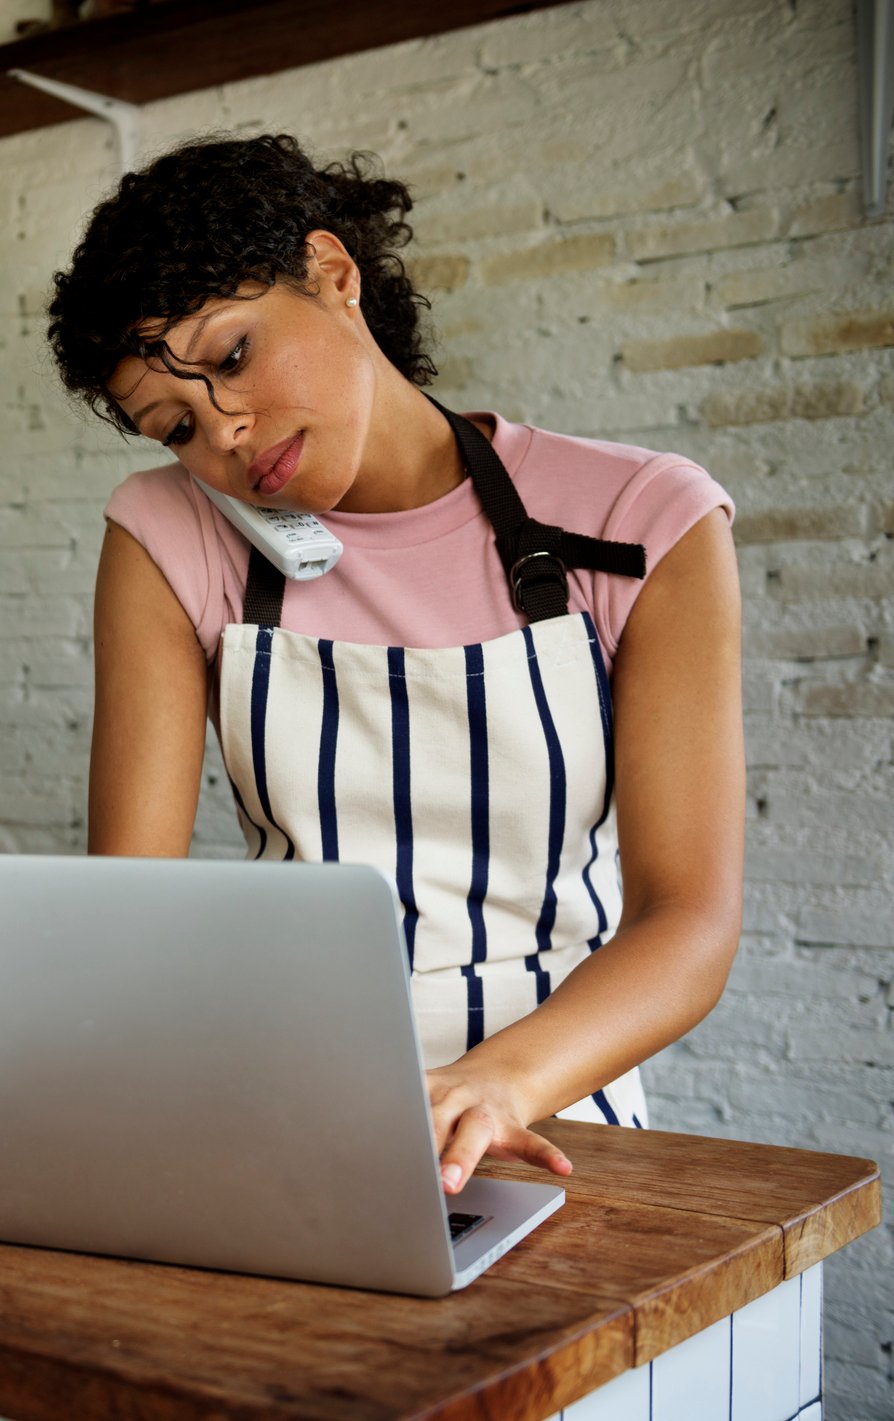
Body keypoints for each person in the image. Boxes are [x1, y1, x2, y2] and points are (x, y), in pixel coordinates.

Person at [48, 133, 744, 1197]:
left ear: (333, 275)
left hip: (558, 1107)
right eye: (175, 423)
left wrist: (493, 1084)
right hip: (284, 1111)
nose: (226, 432)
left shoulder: (640, 517)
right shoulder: (165, 530)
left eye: (232, 355)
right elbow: (128, 914)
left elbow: (686, 921)